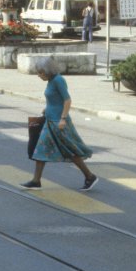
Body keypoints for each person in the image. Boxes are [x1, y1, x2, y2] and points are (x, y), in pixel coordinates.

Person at [21, 58, 98, 191]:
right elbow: (54, 99)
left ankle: (90, 176)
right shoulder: (51, 80)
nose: (38, 75)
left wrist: (63, 119)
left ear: (48, 71)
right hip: (50, 121)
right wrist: (47, 108)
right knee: (40, 150)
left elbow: (67, 100)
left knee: (71, 151)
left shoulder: (58, 80)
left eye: (40, 72)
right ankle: (36, 181)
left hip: (59, 122)